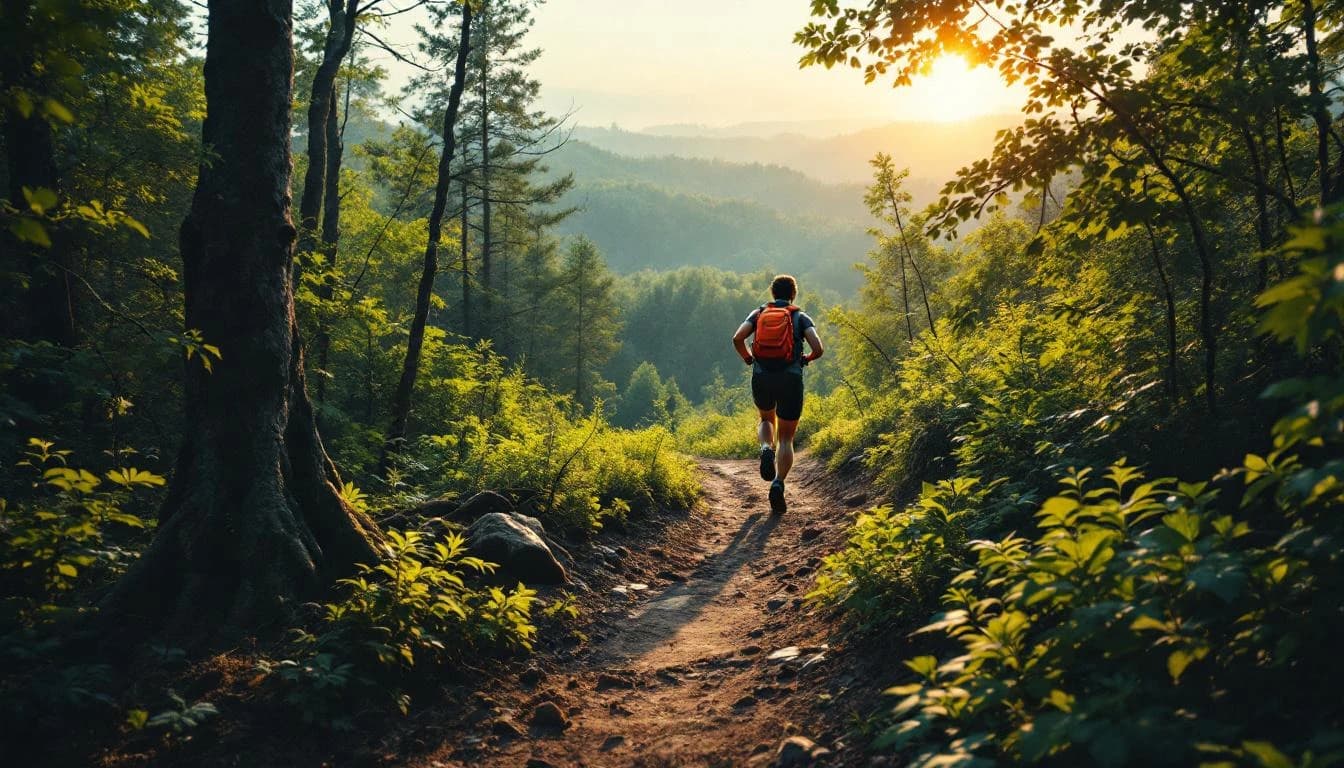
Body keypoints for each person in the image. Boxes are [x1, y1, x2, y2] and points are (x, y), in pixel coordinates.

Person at [731, 274, 824, 514]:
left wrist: (748, 358)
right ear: (793, 294)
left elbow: (738, 338)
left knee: (765, 419)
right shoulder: (800, 317)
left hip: (762, 377)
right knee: (786, 438)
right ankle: (778, 483)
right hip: (791, 379)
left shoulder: (758, 314)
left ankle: (765, 448)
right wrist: (806, 358)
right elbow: (818, 348)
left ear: (772, 293)